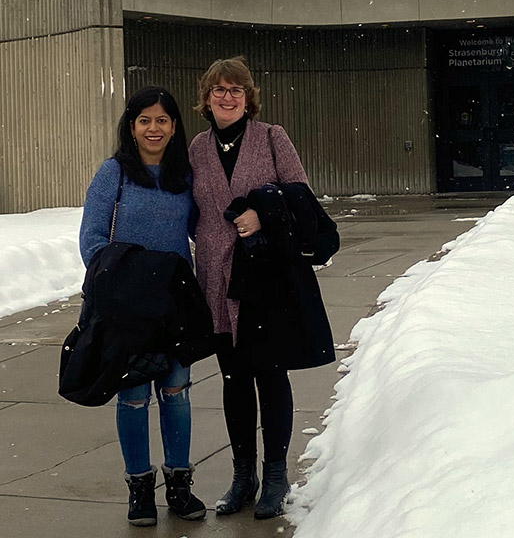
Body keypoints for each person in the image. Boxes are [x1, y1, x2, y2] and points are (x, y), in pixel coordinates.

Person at [189, 57, 333, 520]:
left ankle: (275, 476)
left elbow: (301, 200)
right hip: (218, 279)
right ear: (206, 98)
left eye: (235, 90)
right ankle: (242, 476)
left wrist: (262, 215)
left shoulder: (272, 137)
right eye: (218, 90)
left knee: (270, 375)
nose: (226, 97)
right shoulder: (195, 147)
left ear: (248, 98)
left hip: (267, 278)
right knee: (234, 380)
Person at [78, 86, 206, 527]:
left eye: (163, 120)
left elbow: (202, 230)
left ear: (174, 127)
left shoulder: (184, 175)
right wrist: (125, 279)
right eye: (145, 120)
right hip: (127, 307)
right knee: (133, 396)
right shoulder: (112, 173)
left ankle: (179, 485)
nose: (154, 128)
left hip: (173, 305)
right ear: (131, 127)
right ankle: (139, 487)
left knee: (176, 392)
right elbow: (92, 239)